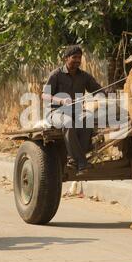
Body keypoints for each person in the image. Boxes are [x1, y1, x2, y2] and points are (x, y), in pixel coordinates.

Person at [42, 45, 104, 175]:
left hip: (77, 111)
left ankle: (74, 160)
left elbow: (98, 90)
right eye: (74, 57)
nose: (77, 60)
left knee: (89, 118)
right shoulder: (56, 74)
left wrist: (101, 96)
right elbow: (44, 95)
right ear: (66, 58)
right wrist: (61, 100)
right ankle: (81, 162)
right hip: (55, 112)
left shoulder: (84, 76)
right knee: (68, 122)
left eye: (79, 58)